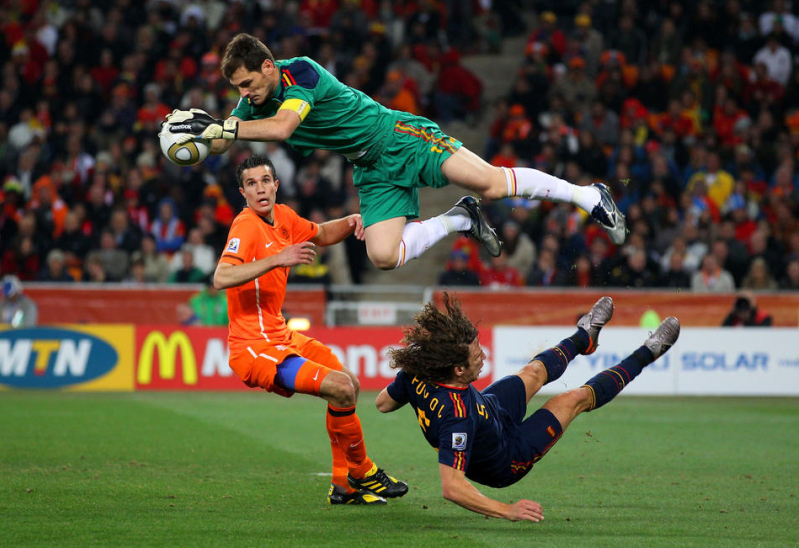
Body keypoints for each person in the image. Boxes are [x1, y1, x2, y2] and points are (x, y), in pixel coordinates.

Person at [166, 33, 626, 273]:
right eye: (237, 88)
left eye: (247, 83)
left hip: (399, 136)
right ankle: (461, 218)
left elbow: (284, 127)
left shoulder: (300, 73)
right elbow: (226, 137)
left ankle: (588, 195)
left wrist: (225, 126)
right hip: (371, 169)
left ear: (268, 67)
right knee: (384, 256)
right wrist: (199, 130)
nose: (243, 93)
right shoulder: (251, 103)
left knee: (490, 183)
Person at [375, 293, 680, 521]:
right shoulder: (456, 417)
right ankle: (649, 352)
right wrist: (506, 510)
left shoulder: (418, 373)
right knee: (572, 399)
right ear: (457, 369)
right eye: (477, 356)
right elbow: (452, 487)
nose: (484, 356)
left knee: (534, 371)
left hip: (490, 410)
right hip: (508, 455)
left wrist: (413, 390)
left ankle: (584, 337)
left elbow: (382, 404)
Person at [213, 155, 407, 505]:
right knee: (341, 388)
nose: (260, 189)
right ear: (243, 192)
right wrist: (278, 258)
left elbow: (322, 233)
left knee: (349, 384)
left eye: (265, 181)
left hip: (281, 336)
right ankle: (362, 471)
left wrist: (352, 221)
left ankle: (342, 487)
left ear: (276, 185)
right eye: (252, 183)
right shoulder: (245, 226)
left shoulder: (284, 216)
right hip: (254, 347)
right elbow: (221, 277)